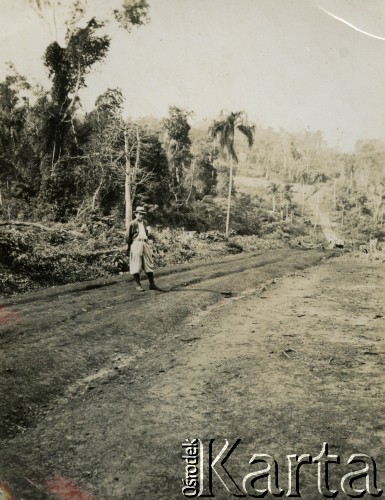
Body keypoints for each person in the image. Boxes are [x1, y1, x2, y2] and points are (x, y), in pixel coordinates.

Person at [126, 206, 162, 292]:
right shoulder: (132, 224)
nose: (141, 216)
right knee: (136, 264)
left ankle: (152, 284)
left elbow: (147, 234)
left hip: (145, 243)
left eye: (142, 214)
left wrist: (150, 239)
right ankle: (138, 285)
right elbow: (127, 237)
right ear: (136, 214)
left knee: (148, 263)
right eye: (139, 214)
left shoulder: (145, 223)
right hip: (136, 243)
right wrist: (129, 247)